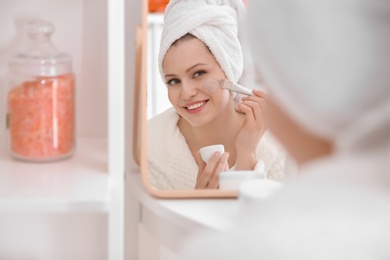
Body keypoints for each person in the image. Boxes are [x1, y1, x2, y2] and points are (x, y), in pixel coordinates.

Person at [178, 0, 390, 258]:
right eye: (172, 80)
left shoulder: (236, 249)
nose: (187, 92)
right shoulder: (157, 143)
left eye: (263, 73)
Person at [147, 0, 286, 190]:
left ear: (230, 69)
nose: (186, 93)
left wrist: (247, 157)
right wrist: (198, 205)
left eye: (199, 73)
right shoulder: (150, 145)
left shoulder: (278, 147)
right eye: (173, 81)